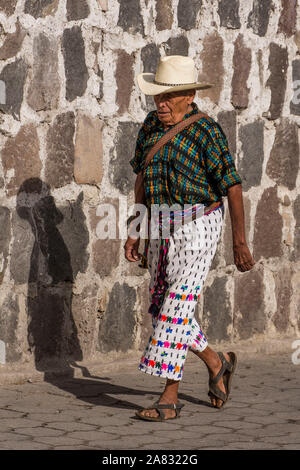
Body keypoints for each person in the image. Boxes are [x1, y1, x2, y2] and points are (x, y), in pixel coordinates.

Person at [124, 55, 255, 421]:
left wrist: (239, 242)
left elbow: (232, 185)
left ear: (190, 95)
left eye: (171, 97)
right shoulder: (151, 126)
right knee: (163, 305)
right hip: (162, 226)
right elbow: (141, 180)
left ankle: (169, 397)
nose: (162, 104)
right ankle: (218, 363)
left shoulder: (207, 131)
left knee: (175, 307)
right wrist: (136, 230)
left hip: (200, 224)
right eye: (158, 97)